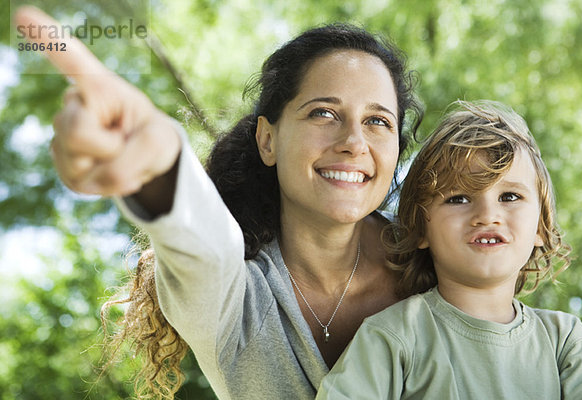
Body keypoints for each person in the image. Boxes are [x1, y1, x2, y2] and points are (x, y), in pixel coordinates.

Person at [14, 6, 423, 400]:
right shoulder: (233, 300)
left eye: (378, 121)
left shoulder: (438, 255)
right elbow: (203, 246)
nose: (353, 142)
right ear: (268, 140)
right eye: (323, 113)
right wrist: (158, 163)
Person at [317, 100, 582, 399]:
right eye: (458, 199)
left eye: (510, 196)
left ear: (540, 227)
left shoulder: (566, 342)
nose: (487, 214)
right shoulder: (393, 336)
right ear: (421, 229)